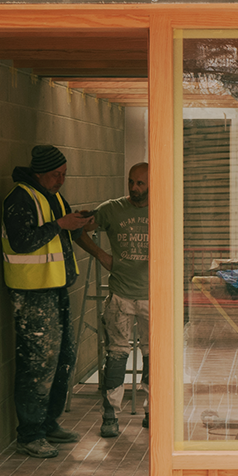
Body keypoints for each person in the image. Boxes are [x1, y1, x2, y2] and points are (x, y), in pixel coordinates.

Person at [1, 144, 93, 458]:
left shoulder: (51, 196)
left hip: (56, 287)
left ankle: (48, 423)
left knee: (62, 358)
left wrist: (77, 223)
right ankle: (30, 434)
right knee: (37, 364)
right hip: (31, 293)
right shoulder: (20, 198)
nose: (61, 180)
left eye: (64, 174)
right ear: (40, 172)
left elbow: (63, 231)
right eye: (57, 175)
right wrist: (59, 225)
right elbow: (21, 241)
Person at [76, 162, 149, 438]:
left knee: (152, 357)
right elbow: (78, 228)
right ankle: (110, 415)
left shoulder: (163, 207)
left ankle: (152, 411)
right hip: (121, 294)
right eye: (131, 182)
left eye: (141, 183)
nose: (134, 188)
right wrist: (101, 255)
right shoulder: (112, 209)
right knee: (116, 355)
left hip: (152, 295)